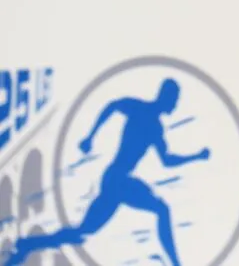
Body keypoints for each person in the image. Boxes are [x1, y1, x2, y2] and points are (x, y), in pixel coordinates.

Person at [6, 78, 210, 266]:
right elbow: (113, 106)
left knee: (82, 231)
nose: (175, 104)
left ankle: (28, 245)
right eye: (174, 99)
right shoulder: (140, 111)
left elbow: (166, 160)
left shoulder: (155, 127)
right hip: (118, 180)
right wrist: (91, 136)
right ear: (165, 96)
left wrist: (196, 156)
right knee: (161, 209)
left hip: (116, 179)